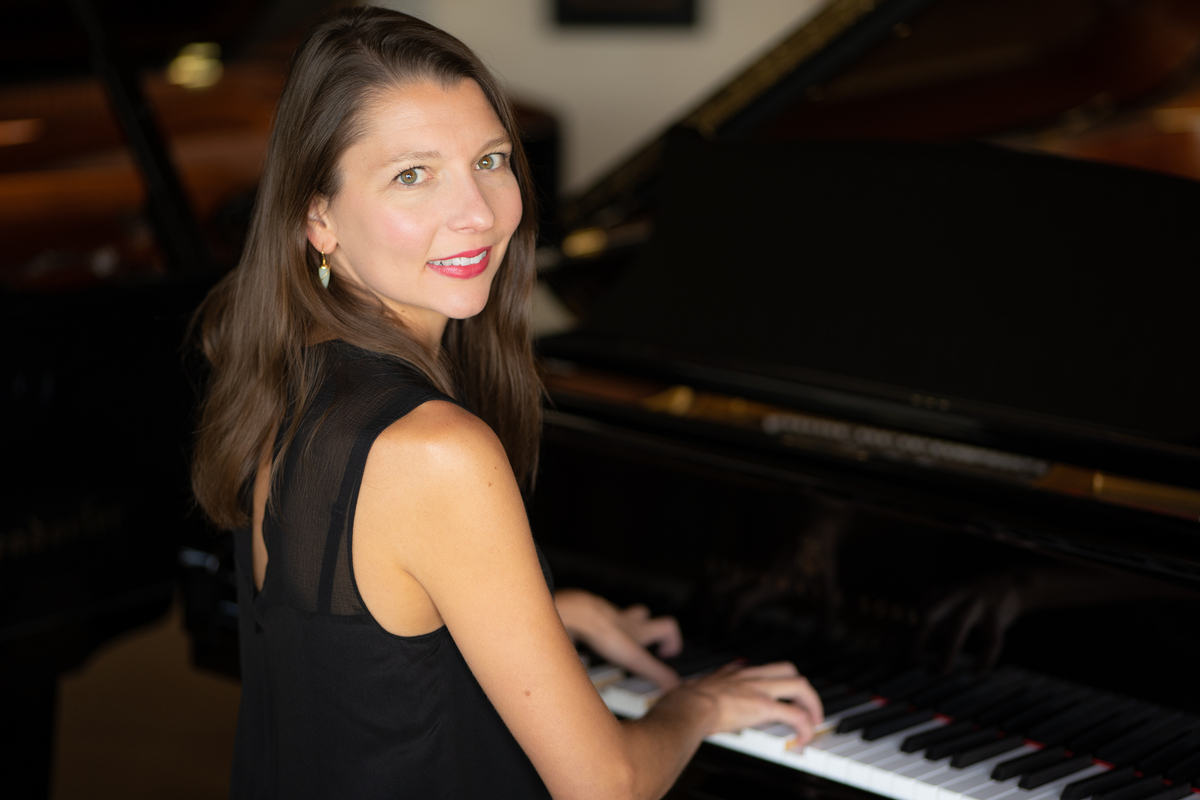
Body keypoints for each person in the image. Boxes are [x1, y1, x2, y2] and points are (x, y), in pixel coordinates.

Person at [190, 7, 822, 798]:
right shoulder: (435, 451)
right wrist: (694, 705)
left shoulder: (286, 376)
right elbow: (608, 786)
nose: (480, 214)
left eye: (490, 159)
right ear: (317, 216)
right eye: (411, 175)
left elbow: (356, 656)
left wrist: (538, 614)